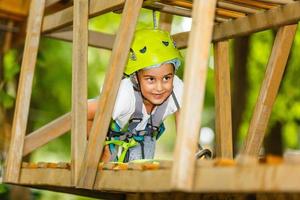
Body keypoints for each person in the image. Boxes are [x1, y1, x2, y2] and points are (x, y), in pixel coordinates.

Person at [88, 28, 183, 163]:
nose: (160, 87)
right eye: (150, 79)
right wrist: (99, 148)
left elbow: (185, 132)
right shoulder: (123, 97)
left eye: (167, 78)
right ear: (135, 78)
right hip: (112, 150)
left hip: (141, 149)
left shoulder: (177, 90)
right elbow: (82, 112)